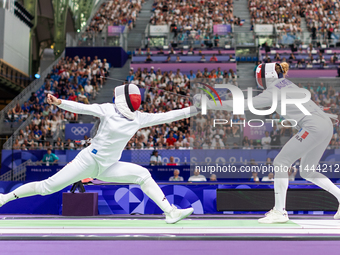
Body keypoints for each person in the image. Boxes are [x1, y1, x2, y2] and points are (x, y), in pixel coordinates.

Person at [0, 84, 197, 224]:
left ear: (123, 99)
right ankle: (5, 198)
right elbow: (81, 107)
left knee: (143, 175)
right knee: (47, 187)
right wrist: (59, 102)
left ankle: (170, 212)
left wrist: (195, 109)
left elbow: (169, 116)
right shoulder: (108, 110)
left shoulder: (138, 118)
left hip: (109, 166)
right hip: (88, 161)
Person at [198, 62, 340, 223]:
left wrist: (208, 104)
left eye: (259, 77)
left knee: (281, 162)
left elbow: (242, 105)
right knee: (307, 171)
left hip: (314, 127)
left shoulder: (274, 89)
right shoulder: (287, 84)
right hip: (325, 125)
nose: (258, 81)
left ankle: (280, 211)